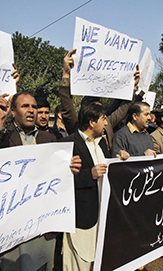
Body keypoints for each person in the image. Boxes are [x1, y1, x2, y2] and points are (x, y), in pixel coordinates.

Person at [0, 92, 81, 270]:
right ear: (13, 111)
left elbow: (58, 180)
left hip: (42, 229)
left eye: (34, 107)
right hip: (11, 229)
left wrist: (70, 167)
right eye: (25, 106)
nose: (31, 111)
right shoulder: (2, 136)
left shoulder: (49, 139)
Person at [60, 103, 128, 270]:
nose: (106, 123)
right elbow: (60, 182)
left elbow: (106, 170)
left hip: (101, 218)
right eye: (103, 119)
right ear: (92, 122)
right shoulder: (68, 144)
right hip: (81, 220)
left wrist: (120, 159)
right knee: (78, 264)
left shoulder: (102, 143)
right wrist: (88, 175)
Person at [59, 49, 140, 150]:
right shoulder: (77, 127)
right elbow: (67, 107)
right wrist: (66, 74)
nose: (104, 120)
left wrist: (131, 88)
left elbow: (123, 109)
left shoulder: (108, 123)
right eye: (96, 110)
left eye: (101, 110)